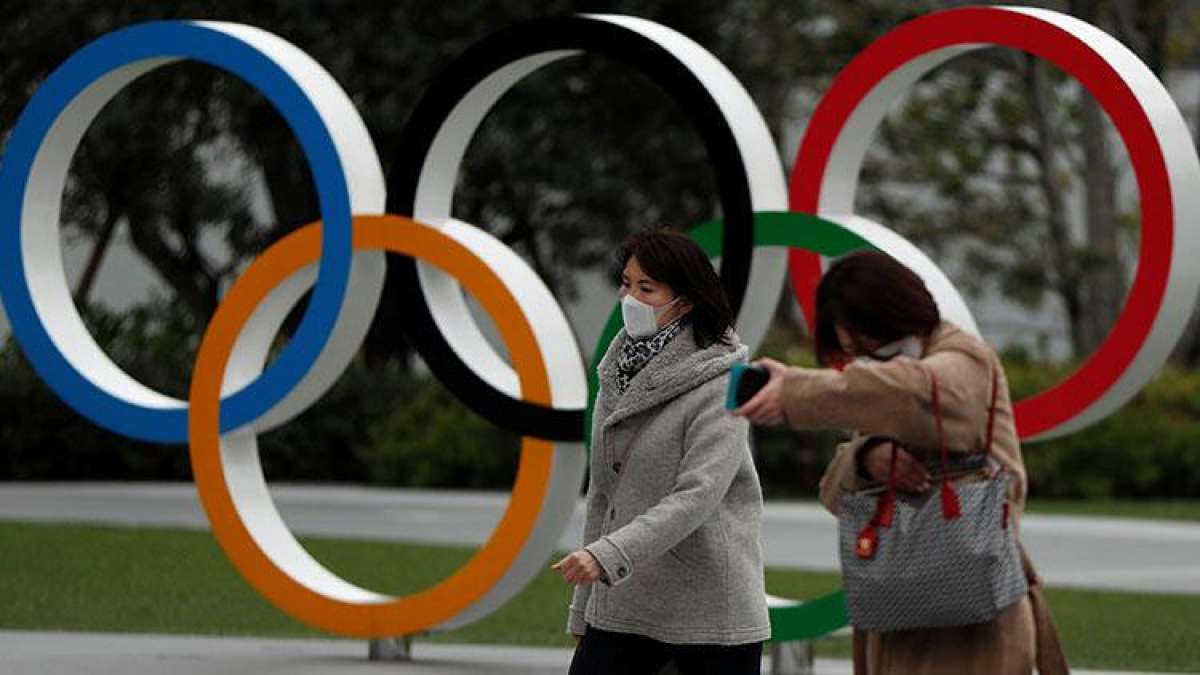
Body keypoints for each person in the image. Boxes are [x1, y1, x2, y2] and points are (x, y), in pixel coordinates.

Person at [734, 251, 1068, 675]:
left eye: (863, 343)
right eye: (850, 350)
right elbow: (834, 492)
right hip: (894, 619)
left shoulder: (964, 361)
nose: (860, 358)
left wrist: (796, 392)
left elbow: (919, 392)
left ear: (890, 315)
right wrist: (868, 459)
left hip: (974, 625)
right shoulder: (881, 384)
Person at [554, 230, 770, 675]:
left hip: (708, 618)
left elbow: (696, 495)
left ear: (686, 302)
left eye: (646, 288)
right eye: (627, 283)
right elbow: (603, 495)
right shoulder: (617, 373)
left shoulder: (723, 382)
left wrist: (606, 556)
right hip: (622, 605)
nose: (629, 297)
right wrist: (584, 610)